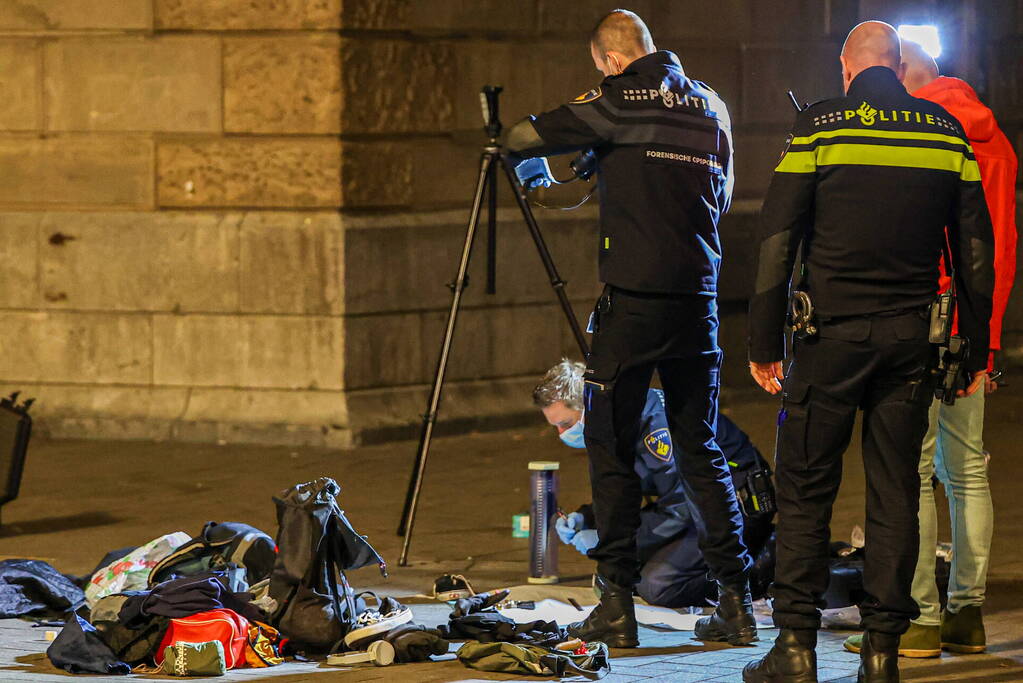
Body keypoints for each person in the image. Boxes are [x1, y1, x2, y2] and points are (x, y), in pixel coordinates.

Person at [744, 21, 994, 683]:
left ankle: (795, 650)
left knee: (803, 490)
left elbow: (775, 235)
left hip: (827, 341)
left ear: (846, 68)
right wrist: (971, 348)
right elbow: (974, 250)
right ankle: (882, 654)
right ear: (898, 63)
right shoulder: (944, 134)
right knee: (894, 493)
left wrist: (761, 339)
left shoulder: (821, 127)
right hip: (910, 343)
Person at [505, 9, 756, 648]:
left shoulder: (615, 101)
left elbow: (520, 135)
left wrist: (532, 174)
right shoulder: (713, 107)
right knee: (700, 447)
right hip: (699, 300)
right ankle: (737, 601)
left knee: (611, 446)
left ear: (610, 61)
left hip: (634, 303)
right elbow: (721, 197)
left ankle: (616, 603)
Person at [844, 40, 1017, 660]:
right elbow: (998, 250)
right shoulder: (994, 138)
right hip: (978, 320)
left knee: (911, 468)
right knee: (968, 468)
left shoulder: (927, 131)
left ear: (901, 74)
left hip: (924, 312)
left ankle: (916, 619)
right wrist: (989, 337)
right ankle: (967, 615)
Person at [533, 359, 776, 607]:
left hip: (734, 505)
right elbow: (622, 489)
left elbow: (679, 507)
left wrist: (609, 541)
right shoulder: (616, 417)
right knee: (622, 571)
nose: (563, 435)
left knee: (658, 585)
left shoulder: (654, 425)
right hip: (694, 504)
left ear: (589, 405)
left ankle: (761, 571)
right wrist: (587, 517)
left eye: (566, 424)